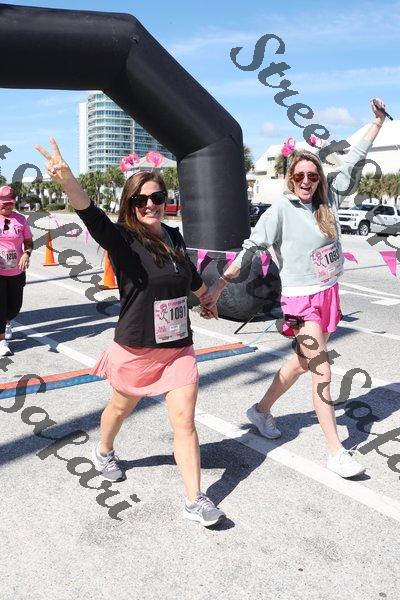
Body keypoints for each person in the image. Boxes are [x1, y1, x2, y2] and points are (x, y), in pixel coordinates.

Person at [35, 139, 225, 527]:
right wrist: (67, 179)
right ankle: (103, 451)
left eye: (157, 197)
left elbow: (189, 277)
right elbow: (91, 216)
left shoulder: (173, 237)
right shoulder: (123, 239)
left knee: (184, 421)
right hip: (137, 347)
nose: (150, 204)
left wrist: (208, 299)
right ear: (130, 204)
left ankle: (195, 499)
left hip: (178, 348)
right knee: (121, 408)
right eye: (141, 199)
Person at [205, 98, 387, 479]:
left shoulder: (328, 201)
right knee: (322, 370)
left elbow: (352, 159)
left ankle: (260, 410)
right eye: (300, 175)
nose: (306, 181)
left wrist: (377, 124)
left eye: (313, 176)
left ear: (319, 178)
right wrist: (220, 284)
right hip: (301, 303)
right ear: (290, 179)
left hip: (327, 294)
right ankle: (336, 452)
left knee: (301, 364)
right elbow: (251, 249)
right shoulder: (280, 211)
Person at [0, 185, 33, 357]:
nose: (7, 206)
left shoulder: (20, 220)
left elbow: (28, 241)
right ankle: (2, 343)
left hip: (16, 271)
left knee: (14, 307)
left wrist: (27, 254)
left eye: (10, 203)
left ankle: (7, 322)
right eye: (4, 203)